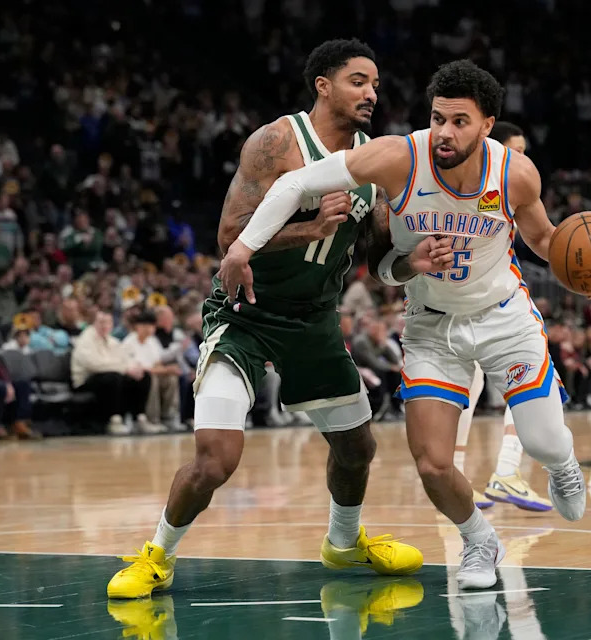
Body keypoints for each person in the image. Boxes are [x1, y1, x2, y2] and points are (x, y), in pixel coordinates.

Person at [222, 59, 586, 590]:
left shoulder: (515, 174)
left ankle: (563, 464)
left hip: (501, 317)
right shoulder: (396, 157)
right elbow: (300, 189)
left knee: (544, 441)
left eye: (460, 122)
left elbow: (549, 242)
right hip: (431, 326)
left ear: (487, 125)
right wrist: (243, 245)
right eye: (438, 118)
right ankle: (480, 541)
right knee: (433, 463)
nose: (445, 132)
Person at [106, 40, 425, 600]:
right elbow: (230, 239)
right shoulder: (276, 141)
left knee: (358, 449)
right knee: (216, 460)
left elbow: (378, 262)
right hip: (247, 314)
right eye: (358, 81)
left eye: (375, 83)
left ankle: (343, 542)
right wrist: (310, 228)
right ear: (323, 86)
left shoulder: (376, 160)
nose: (371, 93)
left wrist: (410, 261)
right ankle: (157, 555)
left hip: (314, 321)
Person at [453, 120, 553, 512]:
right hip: (463, 305)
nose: (522, 160)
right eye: (517, 151)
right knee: (510, 384)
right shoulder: (487, 186)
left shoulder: (492, 184)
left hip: (478, 302)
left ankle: (489, 474)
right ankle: (501, 473)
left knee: (488, 389)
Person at [71, 311, 154, 434]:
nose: (105, 325)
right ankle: (114, 421)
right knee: (113, 377)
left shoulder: (112, 341)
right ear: (94, 323)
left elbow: (125, 359)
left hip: (110, 377)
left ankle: (139, 418)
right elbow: (94, 365)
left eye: (108, 322)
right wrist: (124, 369)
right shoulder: (85, 340)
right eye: (101, 322)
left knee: (142, 376)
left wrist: (134, 368)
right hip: (84, 381)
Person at [122, 310, 175, 433]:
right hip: (138, 376)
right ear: (137, 327)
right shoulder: (129, 342)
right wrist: (163, 370)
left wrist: (167, 370)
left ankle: (168, 417)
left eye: (151, 326)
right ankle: (152, 419)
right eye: (145, 326)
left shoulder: (153, 341)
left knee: (171, 378)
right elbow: (137, 368)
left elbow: (157, 363)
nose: (149, 329)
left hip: (154, 371)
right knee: (152, 378)